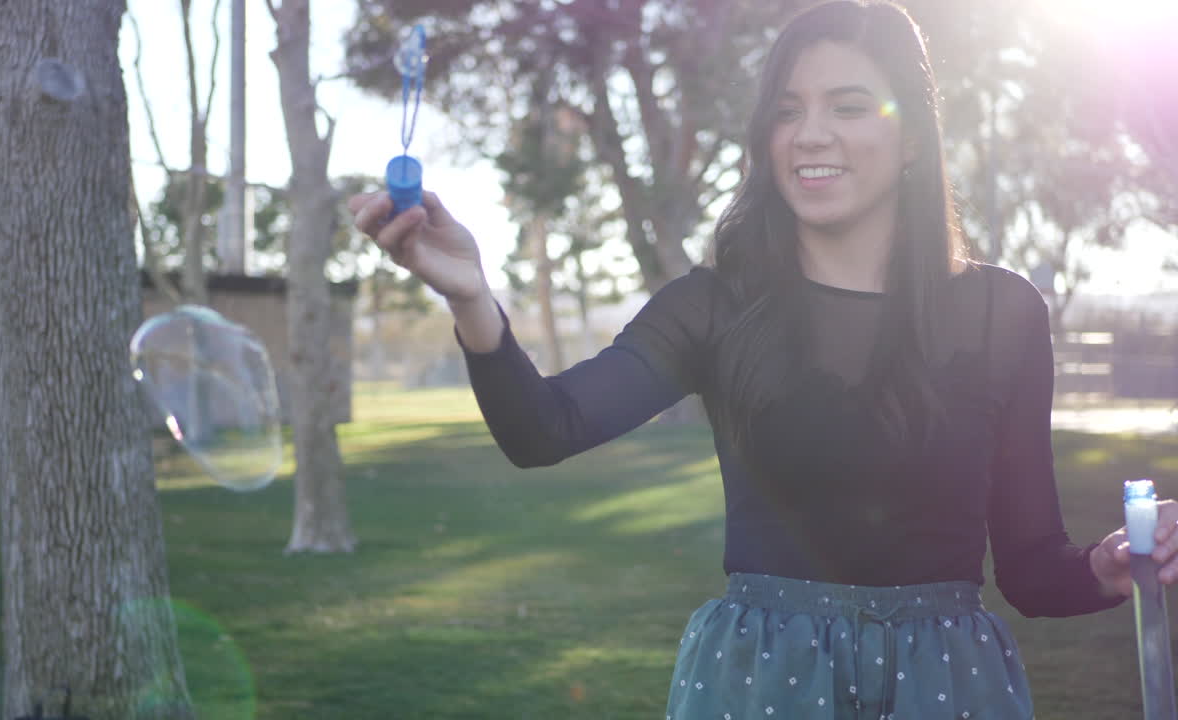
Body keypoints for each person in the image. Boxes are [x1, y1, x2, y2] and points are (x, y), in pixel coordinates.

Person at [349, 1, 1178, 717]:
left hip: (949, 687)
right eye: (787, 111)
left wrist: (1109, 567)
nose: (810, 133)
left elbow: (1031, 573)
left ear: (913, 140)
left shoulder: (1004, 313)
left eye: (849, 106)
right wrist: (471, 297)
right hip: (759, 686)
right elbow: (543, 429)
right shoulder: (717, 306)